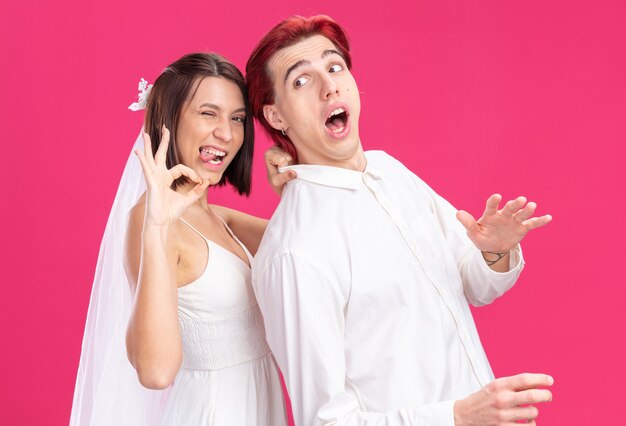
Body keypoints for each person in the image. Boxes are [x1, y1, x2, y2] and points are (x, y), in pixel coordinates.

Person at [247, 15, 554, 425]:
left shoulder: (388, 171)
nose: (329, 85)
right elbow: (325, 420)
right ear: (276, 117)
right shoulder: (294, 252)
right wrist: (458, 417)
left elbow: (471, 285)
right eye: (301, 80)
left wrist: (494, 251)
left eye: (334, 67)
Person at [70, 53, 290, 425]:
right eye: (208, 113)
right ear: (166, 121)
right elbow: (155, 372)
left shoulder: (219, 218)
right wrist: (156, 227)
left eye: (237, 118)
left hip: (257, 405)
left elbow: (308, 245)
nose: (227, 133)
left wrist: (290, 189)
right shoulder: (152, 222)